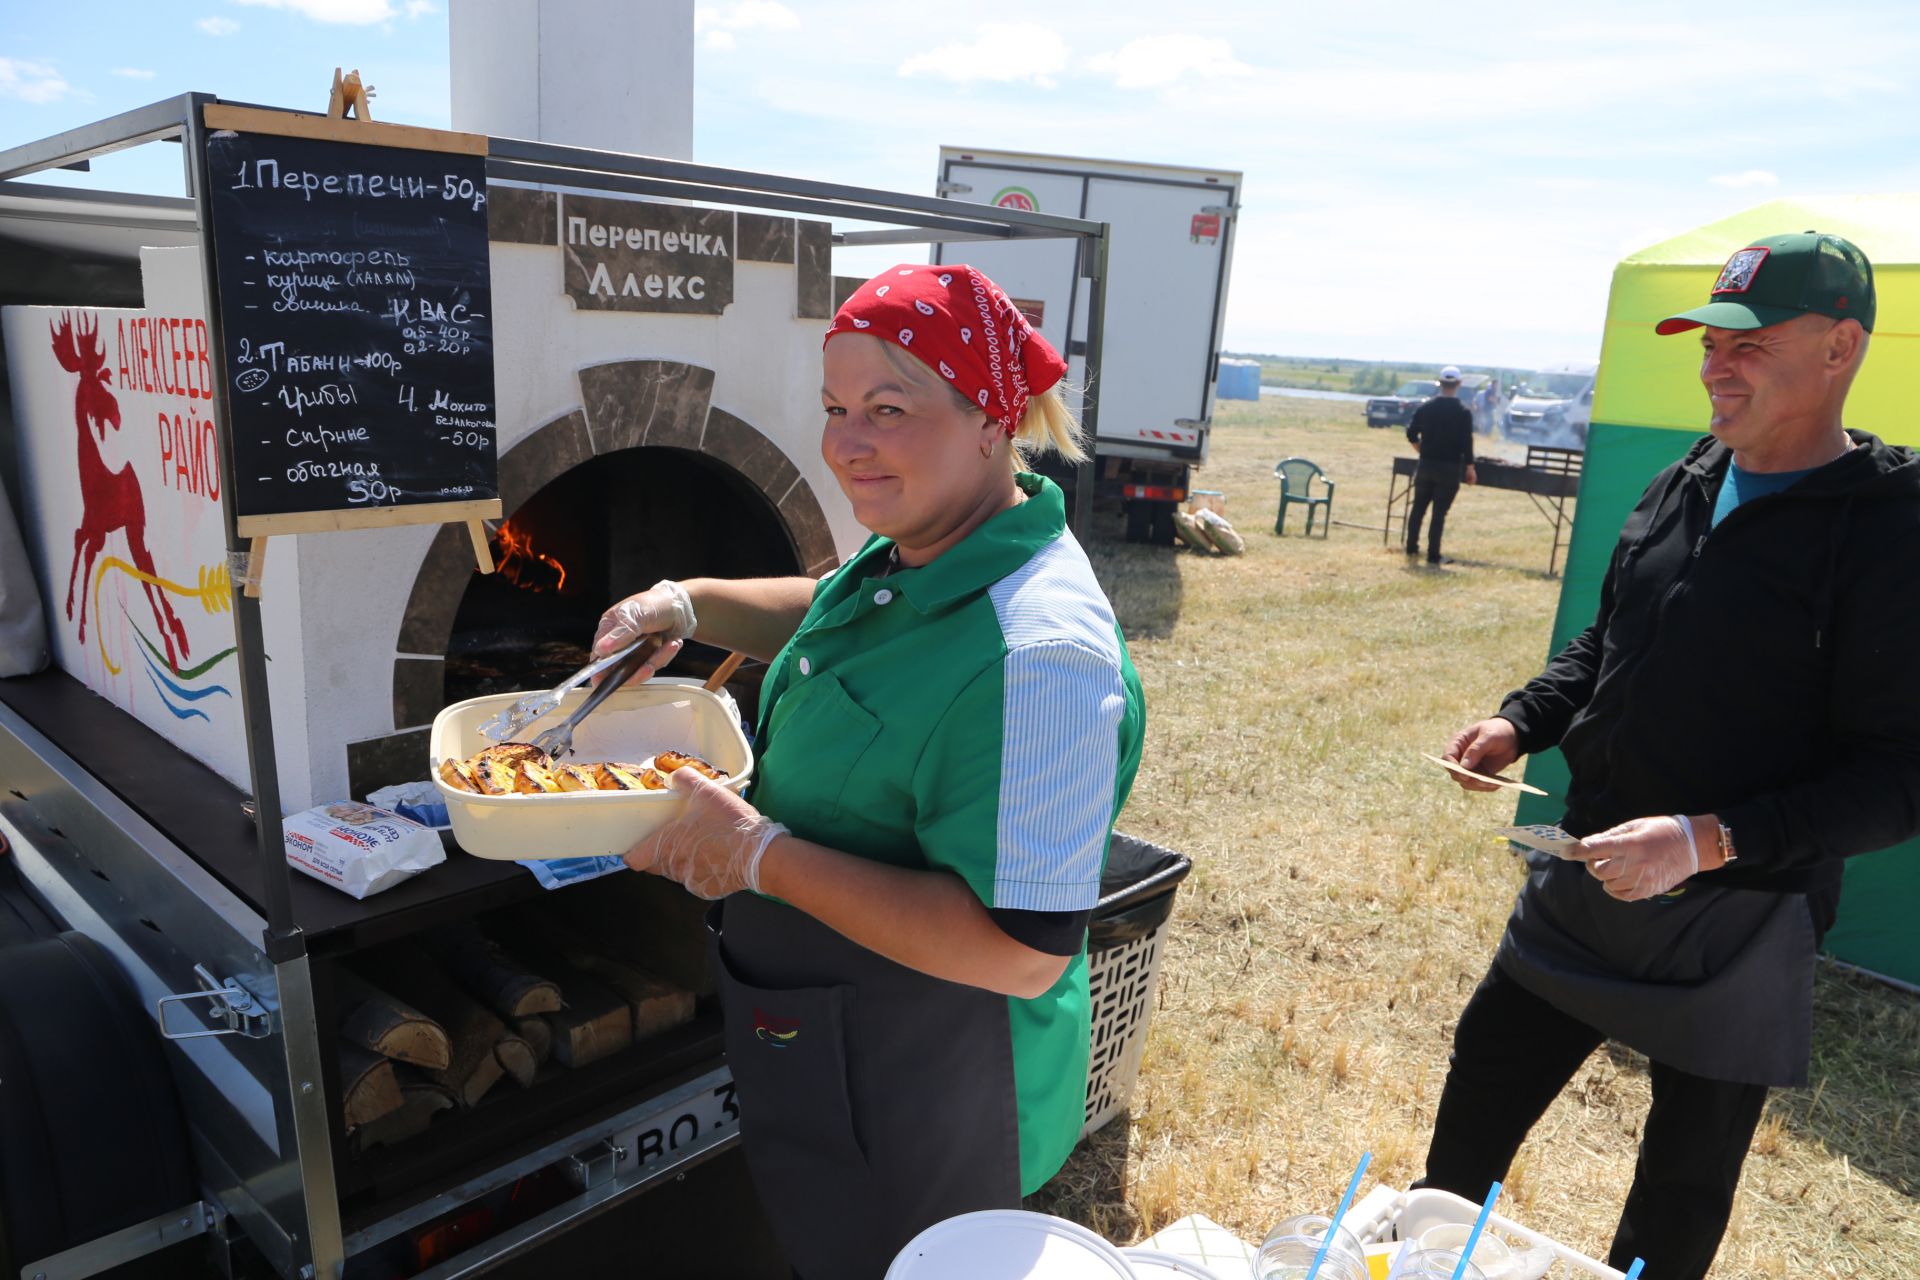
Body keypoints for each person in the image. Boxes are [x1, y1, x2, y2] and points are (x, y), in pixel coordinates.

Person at [591, 264, 1146, 1279]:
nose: (847, 441)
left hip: (941, 1088)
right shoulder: (931, 544)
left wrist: (756, 854)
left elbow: (1023, 950)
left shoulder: (1041, 657)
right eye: (837, 406)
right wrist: (685, 601)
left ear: (992, 417)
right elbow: (837, 607)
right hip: (843, 1039)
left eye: (889, 407)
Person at [1423, 232, 1920, 1280]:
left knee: (1681, 1192)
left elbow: (1896, 778)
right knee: (1476, 1102)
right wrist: (1523, 719)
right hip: (1587, 868)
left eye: (1747, 340)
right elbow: (1611, 642)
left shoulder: (1890, 532)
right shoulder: (1683, 479)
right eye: (1706, 339)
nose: (1714, 363)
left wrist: (1706, 838)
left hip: (1741, 916)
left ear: (1841, 347)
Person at [1404, 366, 1478, 563]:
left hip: (1426, 466)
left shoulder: (1426, 408)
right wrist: (1470, 468)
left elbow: (1411, 433)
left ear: (1440, 383)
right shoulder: (1463, 412)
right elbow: (1466, 443)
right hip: (1449, 468)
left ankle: (1411, 549)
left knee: (1418, 509)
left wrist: (1421, 450)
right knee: (1439, 514)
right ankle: (1433, 555)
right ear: (1459, 385)